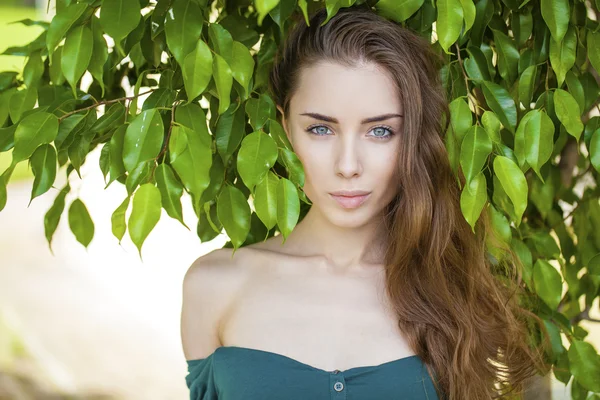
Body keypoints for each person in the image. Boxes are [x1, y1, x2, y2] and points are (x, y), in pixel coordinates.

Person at [181, 5, 550, 400]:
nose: (348, 166)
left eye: (380, 131)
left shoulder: (454, 292)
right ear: (286, 128)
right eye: (320, 129)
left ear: (413, 139)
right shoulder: (214, 285)